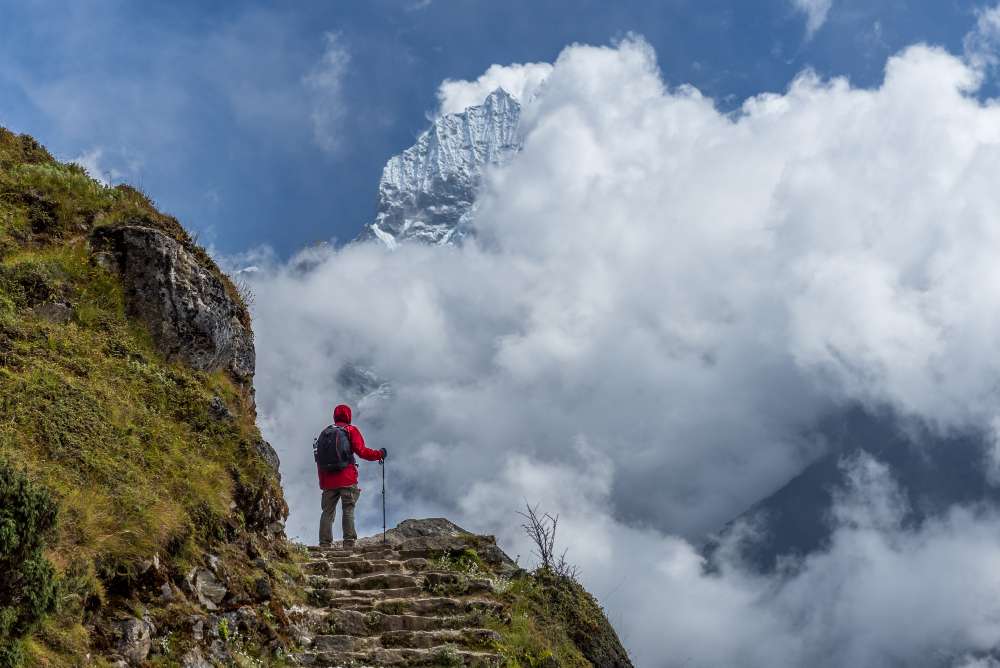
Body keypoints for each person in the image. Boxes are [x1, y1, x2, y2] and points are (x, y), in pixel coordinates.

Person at [315, 404, 386, 548]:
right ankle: (349, 542)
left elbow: (319, 459)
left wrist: (322, 482)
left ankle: (324, 544)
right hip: (347, 477)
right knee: (348, 508)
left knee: (327, 512)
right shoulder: (350, 430)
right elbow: (362, 451)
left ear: (335, 416)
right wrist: (379, 454)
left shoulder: (324, 433)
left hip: (328, 480)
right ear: (349, 416)